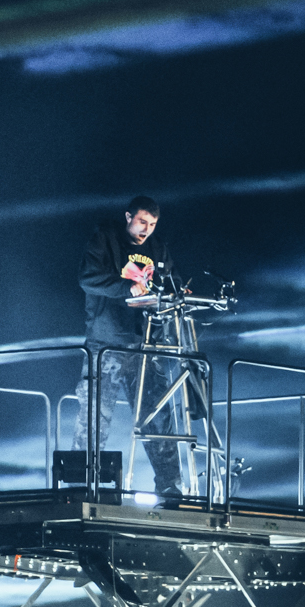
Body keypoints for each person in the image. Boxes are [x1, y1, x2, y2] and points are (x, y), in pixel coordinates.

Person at [76, 195, 183, 494]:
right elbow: (87, 278)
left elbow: (172, 281)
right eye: (141, 222)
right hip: (106, 344)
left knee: (158, 417)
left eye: (152, 224)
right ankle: (81, 487)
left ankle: (171, 491)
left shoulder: (158, 248)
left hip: (145, 345)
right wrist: (127, 287)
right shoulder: (104, 239)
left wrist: (179, 291)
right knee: (94, 418)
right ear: (128, 217)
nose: (146, 229)